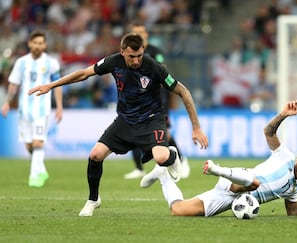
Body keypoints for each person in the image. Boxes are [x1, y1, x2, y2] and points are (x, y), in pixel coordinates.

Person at [28, 33, 209, 217]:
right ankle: (93, 199)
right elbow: (83, 74)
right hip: (125, 121)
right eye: (132, 57)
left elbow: (183, 91)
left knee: (162, 158)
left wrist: (196, 127)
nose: (136, 61)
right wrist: (51, 85)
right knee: (95, 155)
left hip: (151, 119)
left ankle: (172, 154)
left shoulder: (154, 67)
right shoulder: (112, 62)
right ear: (122, 52)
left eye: (139, 56)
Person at [140, 100, 297, 217]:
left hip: (231, 198)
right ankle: (216, 168)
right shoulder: (286, 156)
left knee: (178, 210)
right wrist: (283, 114)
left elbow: (293, 212)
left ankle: (163, 174)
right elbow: (268, 132)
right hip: (237, 180)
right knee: (255, 183)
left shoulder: (295, 188)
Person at [124, 23, 190, 180]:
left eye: (141, 32)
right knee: (133, 130)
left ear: (146, 35)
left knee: (164, 133)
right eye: (136, 32)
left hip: (157, 99)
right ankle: (139, 168)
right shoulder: (128, 53)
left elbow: (163, 74)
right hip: (136, 100)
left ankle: (181, 159)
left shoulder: (156, 52)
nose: (139, 35)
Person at [1, 30, 63, 187]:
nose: (37, 46)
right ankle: (41, 169)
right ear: (29, 44)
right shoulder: (21, 62)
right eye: (35, 43)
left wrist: (59, 106)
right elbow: (14, 84)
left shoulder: (51, 63)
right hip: (24, 110)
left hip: (42, 109)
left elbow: (57, 86)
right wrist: (7, 102)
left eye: (40, 43)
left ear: (45, 45)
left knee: (37, 143)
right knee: (29, 145)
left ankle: (35, 176)